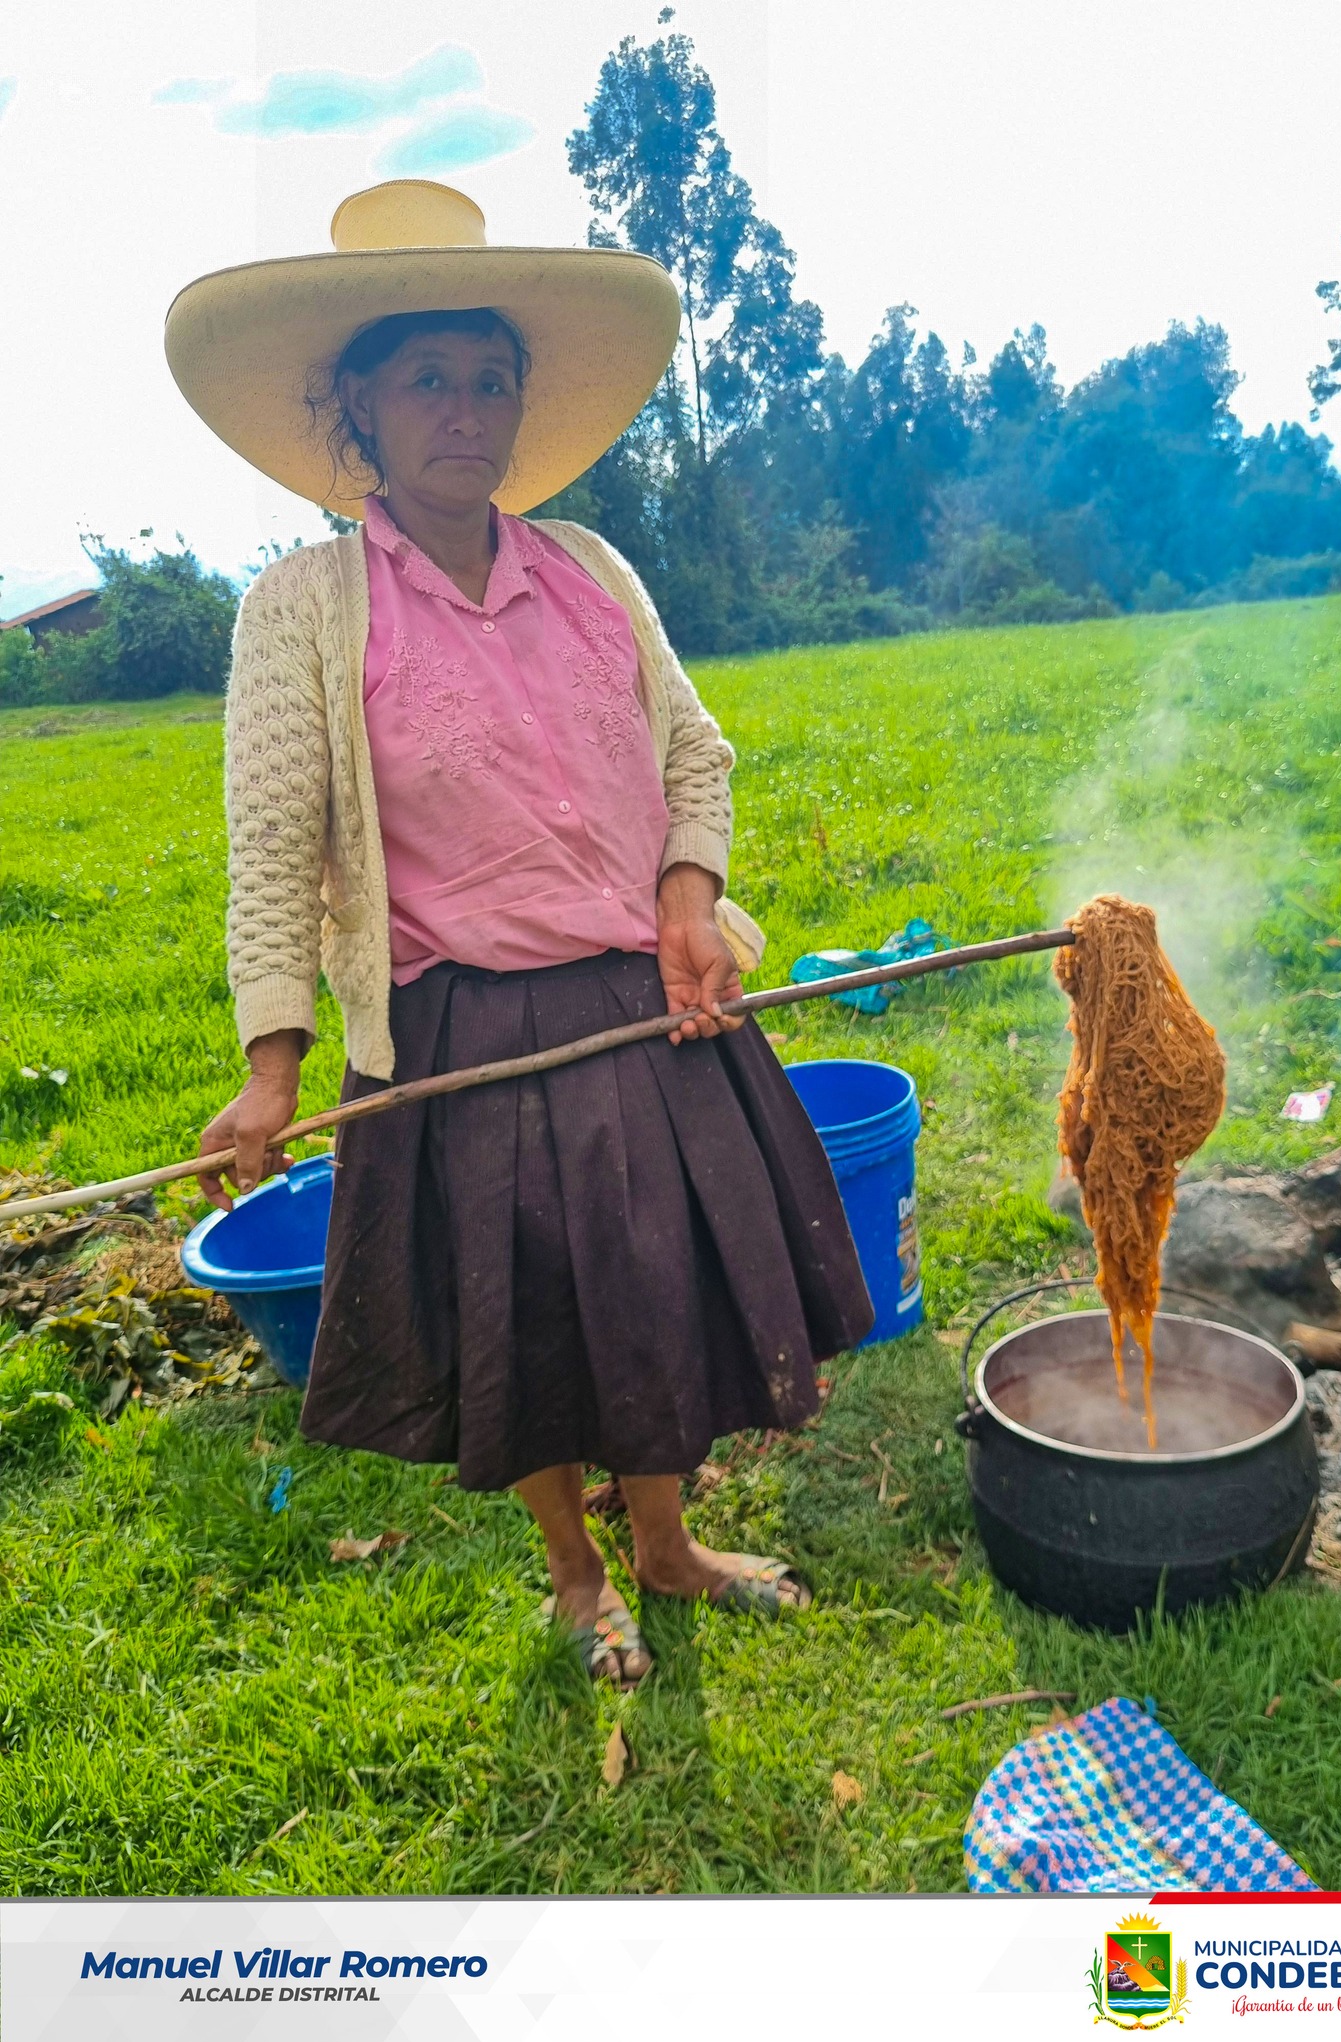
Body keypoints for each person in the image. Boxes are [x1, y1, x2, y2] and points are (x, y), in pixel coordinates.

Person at [168, 179, 874, 1686]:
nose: (467, 409)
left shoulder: (592, 571)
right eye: (429, 377)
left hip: (644, 995)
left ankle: (670, 1548)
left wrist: (688, 907)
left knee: (655, 1281)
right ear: (357, 399)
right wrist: (273, 1067)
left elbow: (693, 751)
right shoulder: (301, 610)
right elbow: (274, 852)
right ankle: (576, 1573)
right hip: (469, 1025)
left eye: (493, 378)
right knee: (533, 1311)